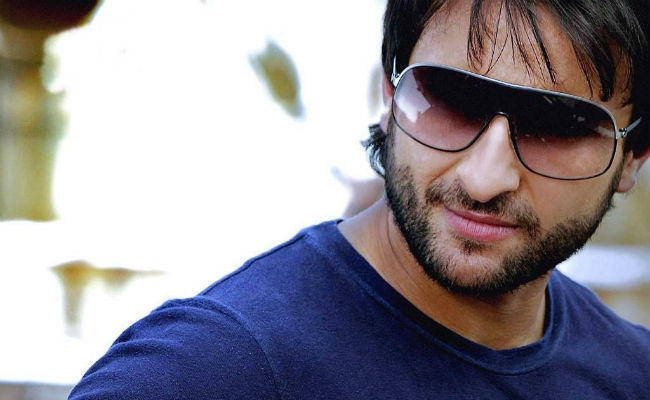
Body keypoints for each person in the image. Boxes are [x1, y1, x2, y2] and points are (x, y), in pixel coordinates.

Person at [68, 0, 650, 398]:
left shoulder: (631, 373)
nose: (483, 179)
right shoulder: (210, 369)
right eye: (451, 99)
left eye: (556, 124)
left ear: (634, 156)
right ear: (389, 98)